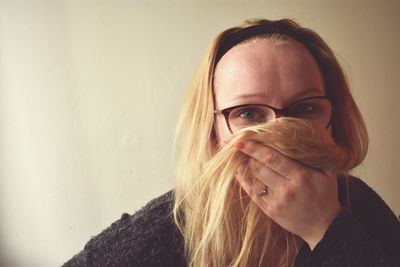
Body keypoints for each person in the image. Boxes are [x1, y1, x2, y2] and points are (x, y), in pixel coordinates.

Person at [63, 19, 400, 267]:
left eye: (305, 108)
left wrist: (326, 228)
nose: (280, 135)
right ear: (212, 130)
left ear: (333, 119)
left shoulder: (357, 204)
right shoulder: (163, 231)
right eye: (248, 113)